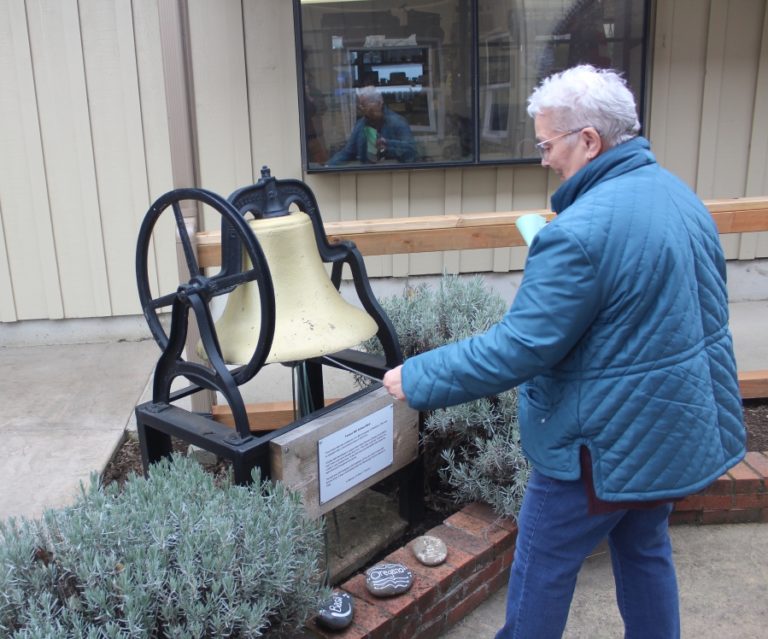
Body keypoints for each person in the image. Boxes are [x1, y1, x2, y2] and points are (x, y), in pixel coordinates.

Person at [383, 65, 746, 638]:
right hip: (667, 431)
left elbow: (517, 348)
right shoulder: (679, 195)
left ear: (590, 140)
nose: (544, 158)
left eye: (547, 144)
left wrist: (420, 376)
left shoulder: (577, 234)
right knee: (645, 549)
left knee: (541, 568)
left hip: (596, 448)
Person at [327, 86, 417, 165]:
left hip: (393, 174)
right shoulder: (361, 124)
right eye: (360, 106)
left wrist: (387, 144)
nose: (361, 109)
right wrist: (328, 166)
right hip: (367, 174)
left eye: (364, 105)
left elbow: (411, 151)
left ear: (379, 103)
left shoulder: (397, 122)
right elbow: (347, 152)